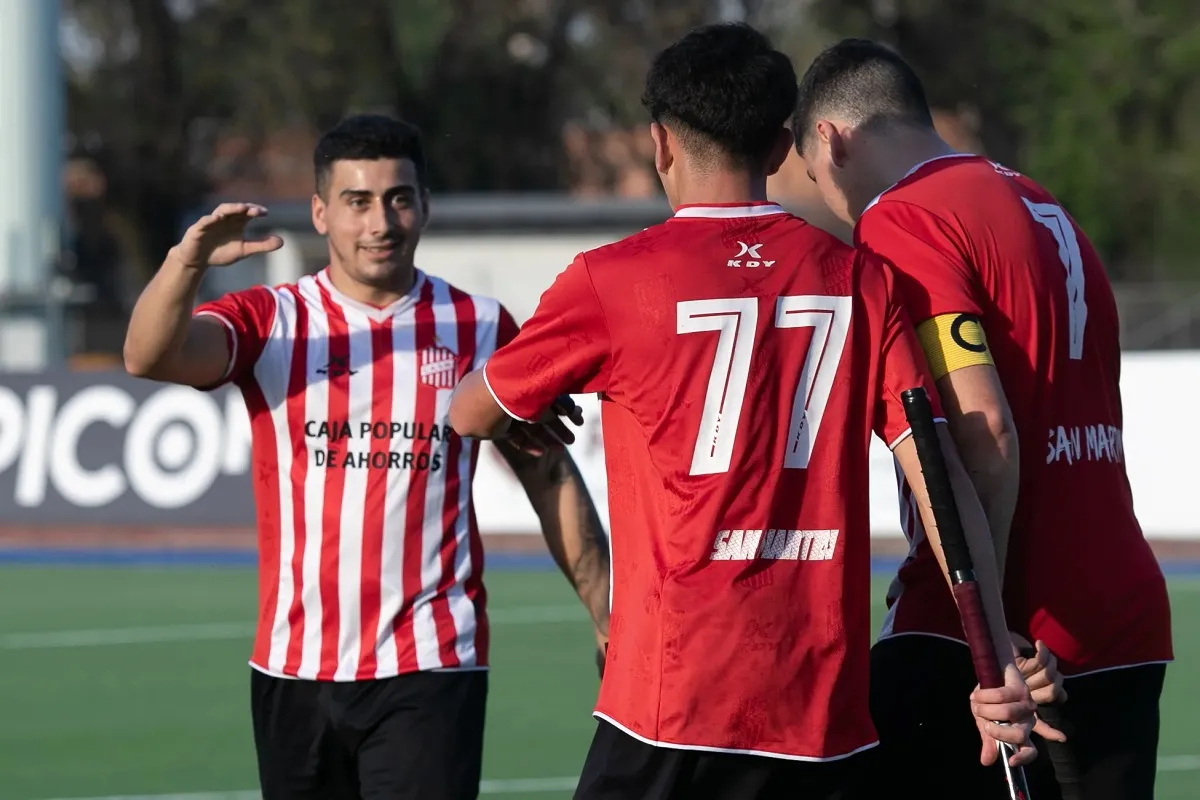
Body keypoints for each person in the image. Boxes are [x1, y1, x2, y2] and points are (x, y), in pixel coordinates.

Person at [449, 23, 1037, 800]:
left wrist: (533, 401)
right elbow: (937, 472)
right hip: (823, 711)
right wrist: (991, 655)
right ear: (778, 149)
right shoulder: (861, 279)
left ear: (660, 144)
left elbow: (468, 414)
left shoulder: (610, 280)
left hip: (668, 704)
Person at [122, 114, 611, 800]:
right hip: (294, 669)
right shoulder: (271, 320)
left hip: (434, 662)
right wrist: (186, 261)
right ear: (321, 212)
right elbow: (148, 356)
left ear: (425, 206)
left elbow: (547, 472)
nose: (381, 221)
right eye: (357, 202)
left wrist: (605, 610)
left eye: (399, 198)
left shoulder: (480, 326)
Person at [794, 38, 1173, 800]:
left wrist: (985, 637)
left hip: (1008, 631)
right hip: (1123, 612)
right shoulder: (1040, 201)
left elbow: (985, 430)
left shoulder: (904, 221)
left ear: (832, 141)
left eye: (811, 176)